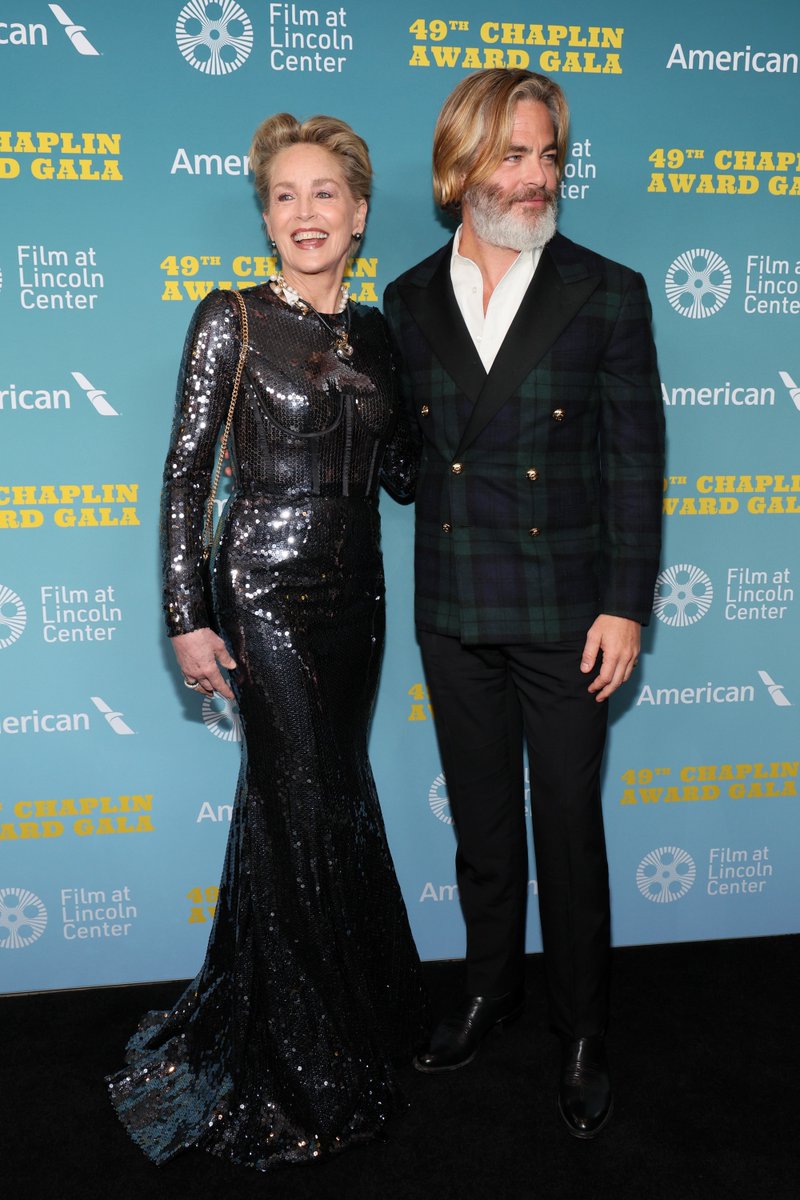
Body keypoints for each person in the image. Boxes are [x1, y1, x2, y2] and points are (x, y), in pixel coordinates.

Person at [107, 112, 427, 1171]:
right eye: (283, 197)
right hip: (264, 595)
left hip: (357, 604)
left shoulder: (378, 333)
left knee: (325, 801)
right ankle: (299, 1066)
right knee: (295, 805)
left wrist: (422, 393)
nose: (303, 214)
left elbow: (409, 477)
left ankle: (342, 1020)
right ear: (266, 215)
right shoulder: (231, 320)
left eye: (322, 194)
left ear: (359, 213)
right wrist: (184, 615)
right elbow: (183, 477)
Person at [384, 69, 664, 1139]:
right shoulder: (405, 298)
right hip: (453, 599)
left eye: (548, 155)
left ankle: (581, 1028)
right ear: (460, 166)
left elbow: (635, 464)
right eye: (514, 154)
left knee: (567, 828)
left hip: (566, 608)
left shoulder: (605, 289)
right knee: (486, 830)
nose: (537, 176)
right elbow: (408, 459)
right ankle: (484, 990)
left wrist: (624, 604)